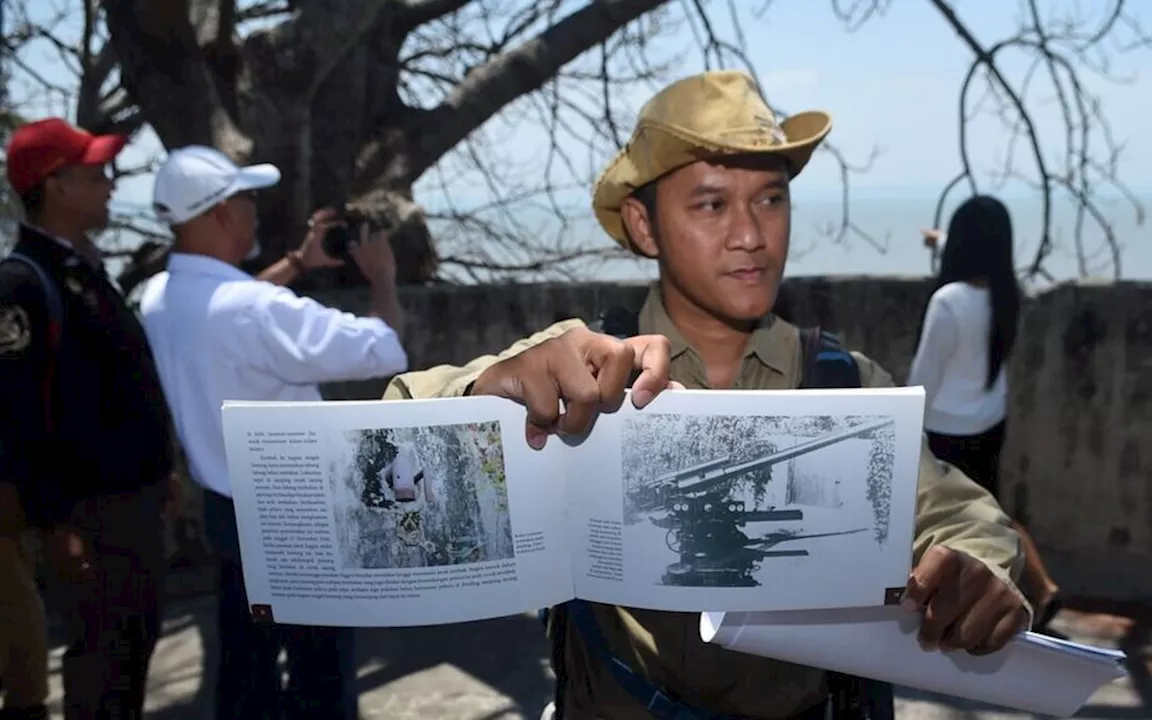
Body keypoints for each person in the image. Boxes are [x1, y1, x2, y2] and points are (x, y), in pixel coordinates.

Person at [380, 70, 1033, 720]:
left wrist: (978, 568)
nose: (751, 233)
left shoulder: (842, 382)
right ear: (643, 224)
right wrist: (492, 390)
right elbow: (391, 429)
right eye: (712, 204)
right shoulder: (582, 365)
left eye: (771, 199)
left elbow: (952, 509)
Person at [137, 144, 409, 719]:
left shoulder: (158, 297)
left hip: (225, 510)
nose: (255, 211)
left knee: (246, 669)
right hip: (296, 518)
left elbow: (226, 305)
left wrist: (297, 263)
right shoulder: (256, 310)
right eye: (246, 201)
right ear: (220, 216)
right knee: (321, 675)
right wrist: (382, 277)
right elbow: (382, 347)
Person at [0, 118, 179, 719]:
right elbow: (21, 418)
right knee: (101, 667)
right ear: (55, 186)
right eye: (94, 173)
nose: (109, 184)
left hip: (131, 503)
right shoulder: (26, 283)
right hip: (92, 515)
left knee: (130, 654)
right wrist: (55, 523)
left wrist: (160, 469)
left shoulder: (84, 269)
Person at [908, 195, 1062, 632]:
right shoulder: (1006, 293)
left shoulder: (947, 301)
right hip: (990, 419)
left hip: (944, 428)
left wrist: (902, 425)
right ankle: (1043, 587)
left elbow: (924, 376)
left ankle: (967, 608)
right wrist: (940, 241)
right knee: (991, 510)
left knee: (946, 519)